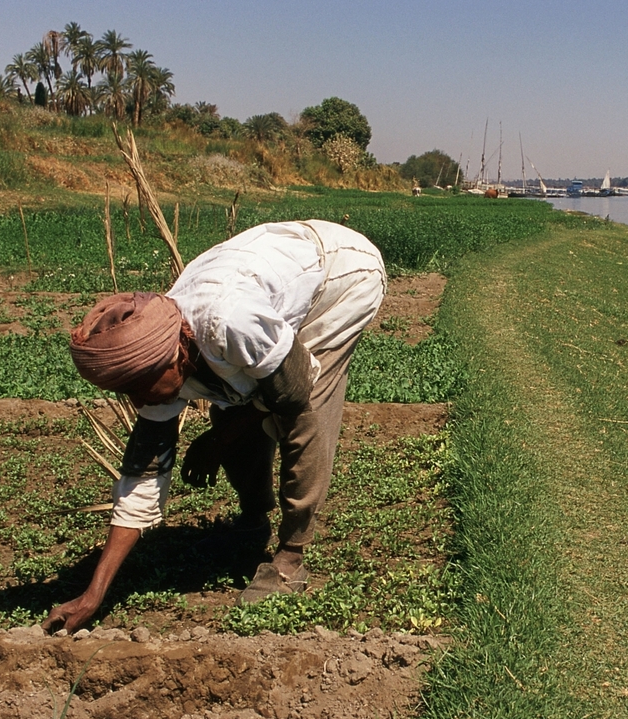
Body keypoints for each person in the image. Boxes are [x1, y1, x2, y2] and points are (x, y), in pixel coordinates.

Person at [41, 219, 387, 634]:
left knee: (305, 416)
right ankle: (251, 524)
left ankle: (291, 558)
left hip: (343, 277)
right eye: (126, 391)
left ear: (173, 358)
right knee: (233, 413)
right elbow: (142, 478)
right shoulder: (155, 354)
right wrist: (94, 593)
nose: (137, 401)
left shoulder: (229, 323)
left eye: (139, 388)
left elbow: (294, 388)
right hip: (274, 275)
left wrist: (219, 439)